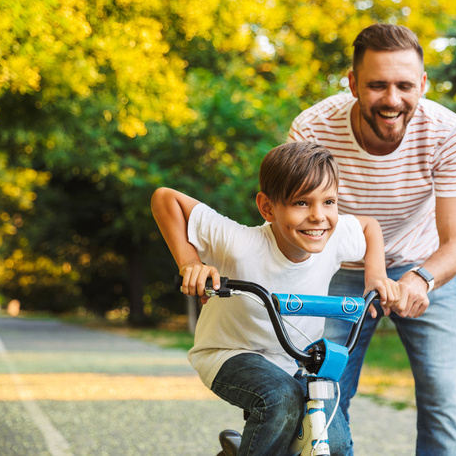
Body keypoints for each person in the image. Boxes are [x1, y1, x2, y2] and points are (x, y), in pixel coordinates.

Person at [287, 24, 456, 455]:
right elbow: (297, 225)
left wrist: (418, 280)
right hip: (337, 270)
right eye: (377, 85)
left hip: (425, 268)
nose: (392, 99)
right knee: (323, 393)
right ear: (352, 83)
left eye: (405, 85)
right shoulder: (313, 129)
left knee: (443, 398)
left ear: (423, 84)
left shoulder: (447, 132)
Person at [151, 141, 401, 456]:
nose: (318, 216)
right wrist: (190, 263)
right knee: (280, 399)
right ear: (268, 208)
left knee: (334, 440)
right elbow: (165, 199)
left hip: (293, 359)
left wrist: (375, 276)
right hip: (229, 354)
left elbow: (368, 226)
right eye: (301, 203)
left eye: (329, 202)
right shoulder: (240, 243)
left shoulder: (333, 237)